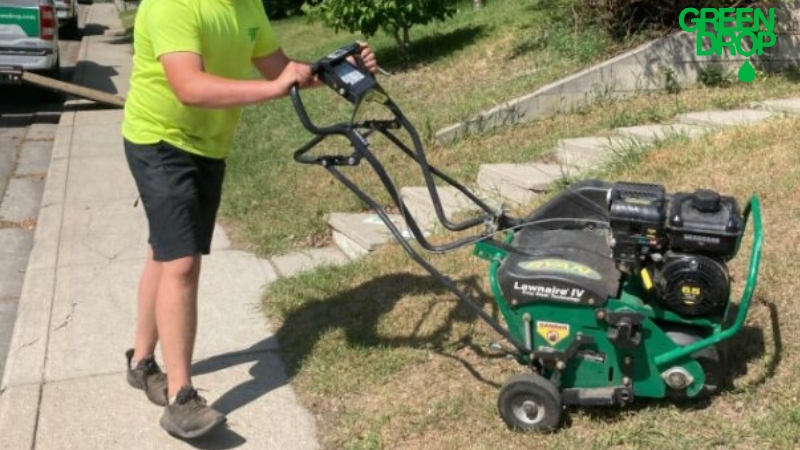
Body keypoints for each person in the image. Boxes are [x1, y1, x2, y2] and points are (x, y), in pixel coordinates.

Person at [120, 0, 377, 439]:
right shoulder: (171, 5)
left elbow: (278, 68)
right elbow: (190, 87)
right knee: (182, 262)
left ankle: (141, 363)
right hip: (159, 140)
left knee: (164, 252)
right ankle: (181, 399)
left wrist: (335, 69)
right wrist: (276, 88)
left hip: (208, 145)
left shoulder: (246, 6)